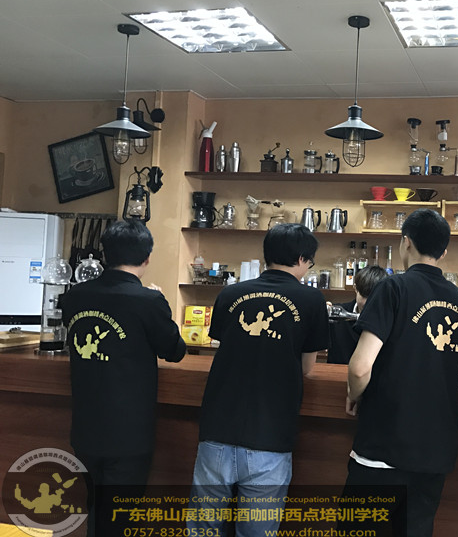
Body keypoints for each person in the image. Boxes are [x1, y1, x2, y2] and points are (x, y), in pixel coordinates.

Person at [189, 223, 329, 537]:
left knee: (202, 530)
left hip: (216, 431)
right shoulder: (311, 300)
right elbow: (307, 367)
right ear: (302, 259)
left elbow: (224, 346)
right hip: (270, 436)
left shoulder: (230, 293)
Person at [344, 208, 458, 537]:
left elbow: (360, 367)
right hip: (435, 452)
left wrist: (354, 394)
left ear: (406, 243)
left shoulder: (393, 288)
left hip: (385, 446)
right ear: (444, 252)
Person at [61, 220, 186, 537]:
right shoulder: (148, 301)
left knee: (93, 511)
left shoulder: (75, 296)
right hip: (129, 433)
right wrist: (162, 305)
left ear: (105, 254)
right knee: (120, 518)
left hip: (85, 428)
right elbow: (174, 351)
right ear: (147, 257)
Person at [327, 265, 389, 364]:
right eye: (365, 296)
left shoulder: (389, 320)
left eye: (374, 297)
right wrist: (319, 315)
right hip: (336, 372)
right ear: (356, 288)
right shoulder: (335, 313)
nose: (369, 303)